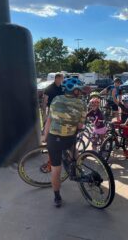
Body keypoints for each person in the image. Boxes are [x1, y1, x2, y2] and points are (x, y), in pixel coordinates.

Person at [42, 78, 86, 208]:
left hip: (54, 139)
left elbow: (49, 119)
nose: (81, 92)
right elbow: (80, 125)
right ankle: (78, 169)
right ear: (75, 91)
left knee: (56, 170)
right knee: (74, 150)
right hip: (69, 138)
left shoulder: (56, 100)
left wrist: (45, 136)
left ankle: (57, 197)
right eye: (79, 90)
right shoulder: (82, 104)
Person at [118, 94, 128, 159]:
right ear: (123, 102)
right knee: (120, 134)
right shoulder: (122, 106)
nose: (127, 103)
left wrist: (125, 123)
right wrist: (115, 93)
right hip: (122, 124)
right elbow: (115, 101)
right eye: (125, 102)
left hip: (127, 125)